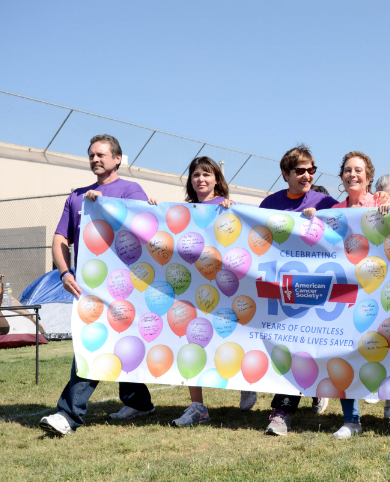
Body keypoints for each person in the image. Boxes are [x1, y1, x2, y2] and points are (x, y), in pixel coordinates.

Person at [39, 134, 156, 436]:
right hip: (91, 289)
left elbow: (148, 227)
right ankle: (139, 403)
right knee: (96, 343)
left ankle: (68, 414)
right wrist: (65, 273)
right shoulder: (77, 196)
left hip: (127, 288)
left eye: (101, 154)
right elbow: (60, 239)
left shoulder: (131, 190)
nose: (95, 159)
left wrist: (110, 205)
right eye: (91, 155)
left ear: (118, 158)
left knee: (102, 344)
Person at [149, 156, 257, 426]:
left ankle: (245, 382)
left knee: (231, 334)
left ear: (217, 179)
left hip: (226, 283)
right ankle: (197, 406)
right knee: (191, 338)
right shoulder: (182, 212)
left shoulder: (227, 208)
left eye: (207, 175)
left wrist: (233, 209)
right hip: (193, 287)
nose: (201, 179)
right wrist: (152, 210)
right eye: (196, 175)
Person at [304, 152, 390, 438]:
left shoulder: (380, 203)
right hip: (344, 291)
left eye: (358, 170)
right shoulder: (333, 209)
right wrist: (311, 219)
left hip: (378, 291)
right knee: (343, 348)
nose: (352, 175)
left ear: (368, 175)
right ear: (341, 177)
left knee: (380, 347)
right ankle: (352, 419)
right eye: (347, 170)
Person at [259, 144, 339, 436]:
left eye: (311, 170)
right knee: (287, 346)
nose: (307, 175)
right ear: (285, 174)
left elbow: (353, 219)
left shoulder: (327, 202)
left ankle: (306, 396)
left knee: (310, 344)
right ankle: (282, 410)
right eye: (300, 170)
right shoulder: (269, 203)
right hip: (281, 289)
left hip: (316, 287)